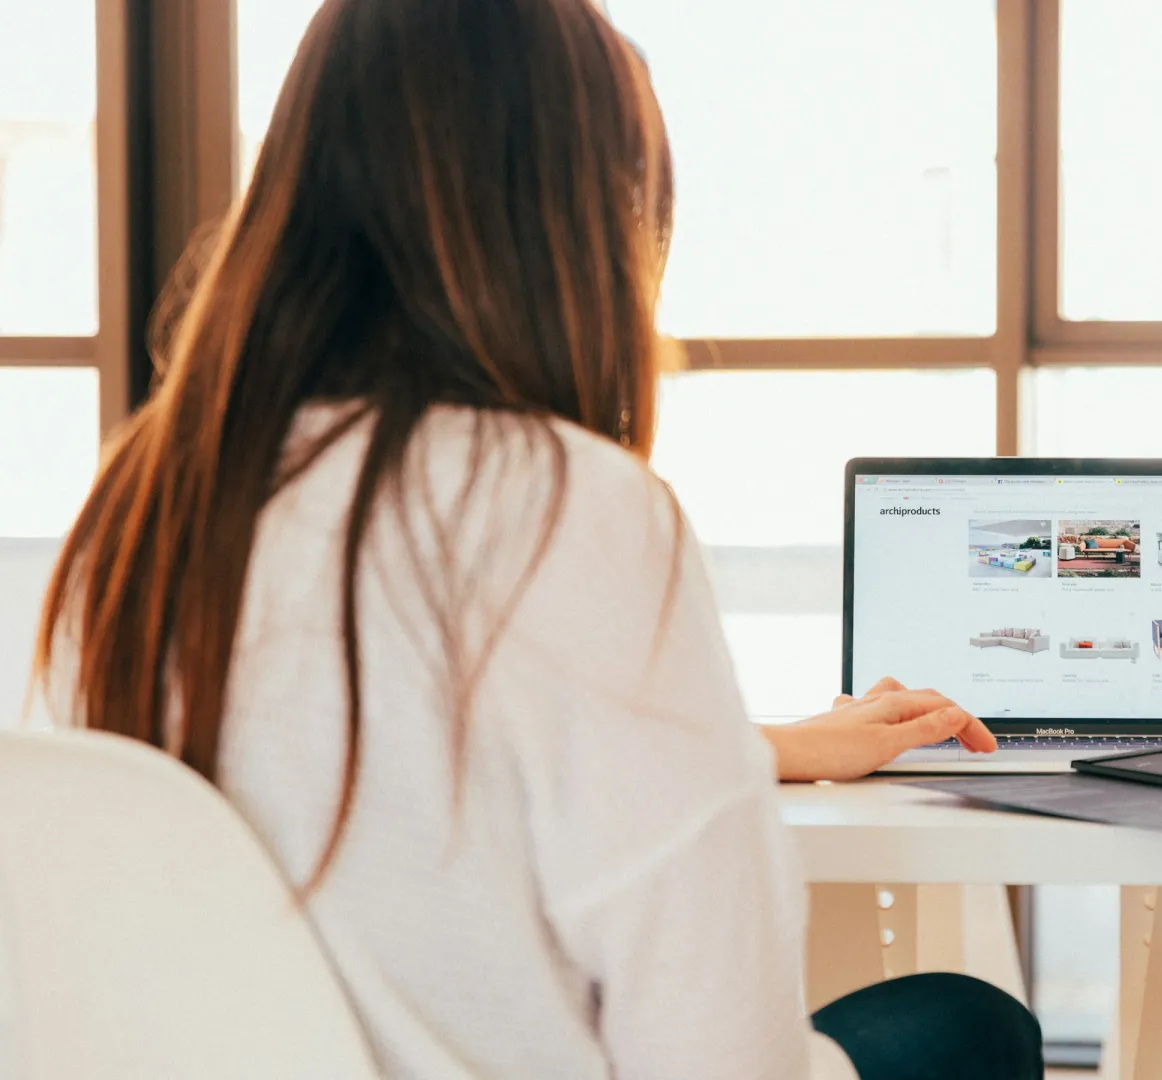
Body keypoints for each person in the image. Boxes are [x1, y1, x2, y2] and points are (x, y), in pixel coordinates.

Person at [32, 1, 1037, 1077]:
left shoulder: (140, 505)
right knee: (970, 1025)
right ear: (580, 218)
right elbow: (716, 1050)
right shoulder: (567, 506)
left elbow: (382, 780)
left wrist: (764, 749)